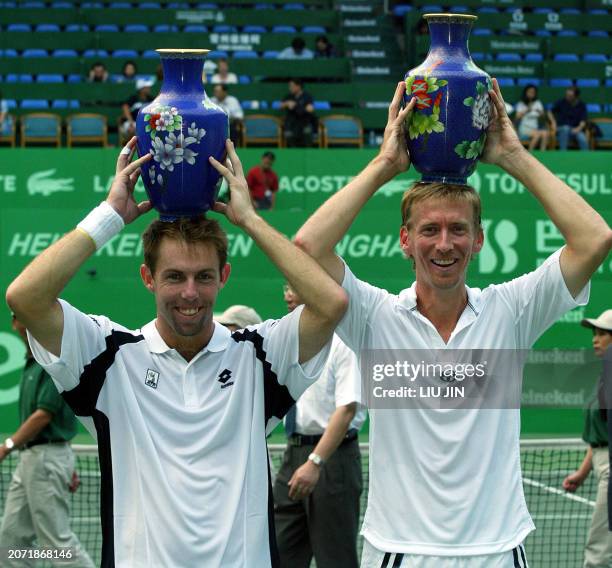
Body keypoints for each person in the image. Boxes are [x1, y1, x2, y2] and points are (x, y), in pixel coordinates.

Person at [294, 80, 612, 566]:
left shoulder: (511, 312)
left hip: (499, 551)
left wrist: (513, 156)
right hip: (400, 551)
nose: (445, 243)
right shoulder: (375, 318)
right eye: (430, 229)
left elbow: (594, 239)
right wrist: (384, 165)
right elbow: (308, 248)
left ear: (479, 239)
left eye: (458, 229)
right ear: (405, 240)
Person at [5, 137, 347, 567]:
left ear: (224, 276)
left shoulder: (260, 356)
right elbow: (24, 297)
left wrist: (251, 221)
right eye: (174, 277)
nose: (190, 293)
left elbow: (331, 304)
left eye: (204, 276)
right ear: (148, 278)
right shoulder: (109, 356)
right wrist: (110, 216)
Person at [273, 283, 365, 568]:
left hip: (332, 460)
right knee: (277, 553)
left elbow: (347, 409)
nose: (289, 293)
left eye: (296, 285)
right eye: (286, 286)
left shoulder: (344, 343)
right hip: (293, 455)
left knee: (335, 559)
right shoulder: (288, 340)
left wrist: (315, 462)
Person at [0, 314, 94, 568]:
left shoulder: (52, 360)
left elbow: (44, 415)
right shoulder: (31, 363)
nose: (24, 321)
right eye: (19, 316)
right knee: (11, 542)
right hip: (33, 459)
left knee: (56, 546)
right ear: (15, 324)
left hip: (45, 458)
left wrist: (6, 447)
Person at [563, 309, 612, 568]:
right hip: (603, 463)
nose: (595, 338)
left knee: (598, 549)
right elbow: (600, 438)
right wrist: (582, 474)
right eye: (594, 333)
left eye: (602, 334)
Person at [551, 86, 589, 150]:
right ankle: (563, 153)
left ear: (576, 96)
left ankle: (586, 157)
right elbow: (550, 112)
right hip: (561, 128)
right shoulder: (561, 102)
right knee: (565, 129)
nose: (567, 97)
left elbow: (583, 119)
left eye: (570, 96)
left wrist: (578, 128)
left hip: (575, 129)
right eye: (567, 95)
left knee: (582, 138)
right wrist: (553, 122)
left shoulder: (581, 105)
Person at [514, 84, 550, 151]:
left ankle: (543, 153)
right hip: (525, 129)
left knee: (545, 133)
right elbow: (517, 117)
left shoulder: (537, 103)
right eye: (529, 92)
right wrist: (527, 110)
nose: (531, 94)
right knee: (537, 135)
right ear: (526, 93)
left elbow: (544, 117)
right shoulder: (521, 103)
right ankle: (530, 152)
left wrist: (541, 113)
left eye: (533, 92)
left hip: (535, 128)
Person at [281, 79, 315, 148]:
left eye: (292, 86)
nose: (290, 88)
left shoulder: (307, 96)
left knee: (307, 131)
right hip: (291, 123)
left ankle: (308, 151)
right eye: (289, 86)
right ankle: (294, 151)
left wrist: (296, 105)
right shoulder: (288, 96)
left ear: (298, 86)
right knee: (288, 134)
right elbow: (281, 105)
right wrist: (287, 103)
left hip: (304, 122)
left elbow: (310, 109)